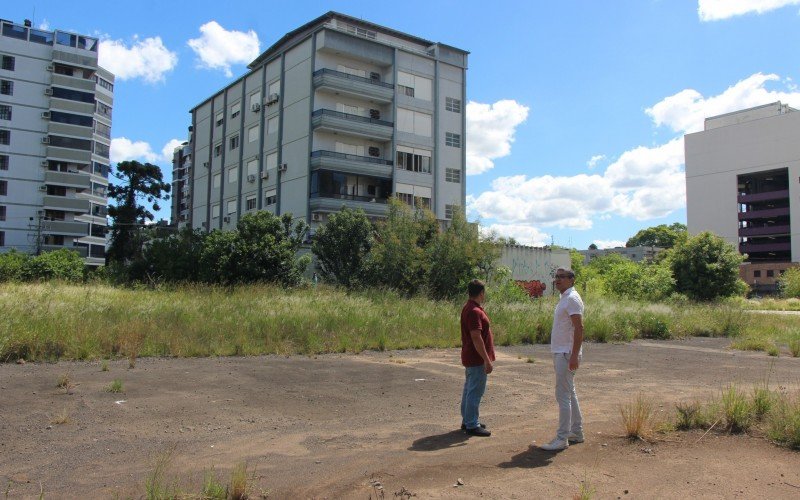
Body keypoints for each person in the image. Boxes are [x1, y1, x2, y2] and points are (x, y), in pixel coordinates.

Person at [539, 268, 585, 451]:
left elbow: (579, 328)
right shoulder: (565, 297)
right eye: (556, 277)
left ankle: (562, 438)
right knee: (569, 393)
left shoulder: (572, 299)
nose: (557, 280)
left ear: (571, 280)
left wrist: (574, 355)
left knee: (563, 395)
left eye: (562, 277)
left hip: (566, 353)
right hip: (563, 352)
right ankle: (576, 432)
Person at [460, 279, 495, 437]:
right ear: (481, 293)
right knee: (475, 391)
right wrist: (486, 360)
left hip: (471, 357)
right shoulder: (474, 311)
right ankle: (472, 425)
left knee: (469, 390)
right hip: (476, 358)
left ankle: (467, 420)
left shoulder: (469, 307)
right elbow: (476, 337)